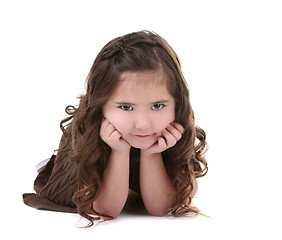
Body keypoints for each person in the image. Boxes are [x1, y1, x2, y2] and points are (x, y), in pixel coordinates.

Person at [23, 30, 208, 227]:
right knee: (81, 188)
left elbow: (160, 208)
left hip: (142, 163)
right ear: (101, 105)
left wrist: (150, 153)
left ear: (177, 103)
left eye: (157, 106)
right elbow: (106, 210)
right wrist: (119, 152)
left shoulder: (172, 130)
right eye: (126, 107)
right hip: (88, 162)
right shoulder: (87, 130)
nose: (143, 124)